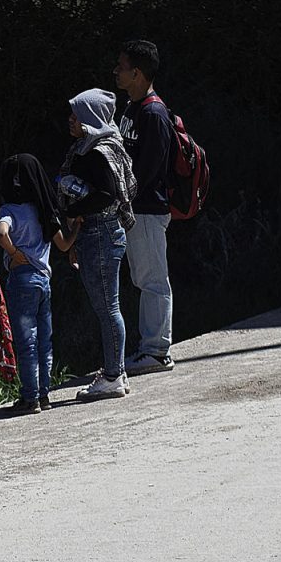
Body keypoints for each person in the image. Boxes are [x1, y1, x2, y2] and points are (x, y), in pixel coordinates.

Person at [59, 89, 138, 401]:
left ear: (90, 118)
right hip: (100, 233)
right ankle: (115, 368)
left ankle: (112, 375)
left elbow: (106, 195)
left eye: (76, 115)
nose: (70, 120)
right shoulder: (91, 147)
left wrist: (73, 209)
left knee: (108, 307)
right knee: (108, 306)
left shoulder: (98, 151)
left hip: (101, 233)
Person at [115, 39, 178, 374]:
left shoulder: (153, 113)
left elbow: (149, 169)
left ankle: (156, 351)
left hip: (149, 210)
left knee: (153, 279)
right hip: (135, 209)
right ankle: (150, 348)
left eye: (121, 66)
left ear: (137, 73)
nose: (116, 71)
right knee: (144, 278)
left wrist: (124, 194)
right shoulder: (131, 108)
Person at [0, 153, 63, 415]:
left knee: (27, 343)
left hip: (21, 279)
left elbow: (2, 233)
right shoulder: (42, 209)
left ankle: (30, 397)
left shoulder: (9, 210)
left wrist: (13, 253)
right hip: (44, 280)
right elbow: (63, 242)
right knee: (45, 340)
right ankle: (44, 394)